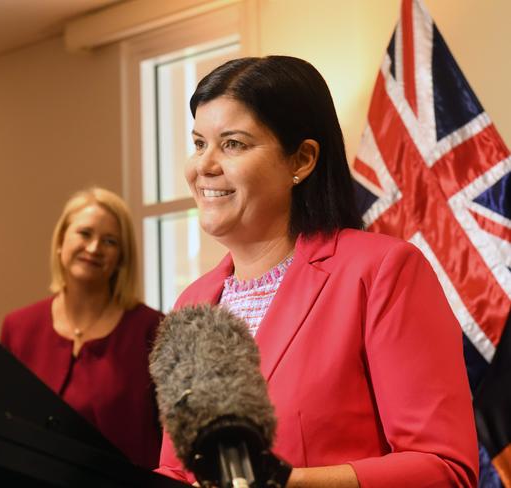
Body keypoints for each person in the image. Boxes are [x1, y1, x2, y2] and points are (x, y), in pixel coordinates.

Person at [155, 56, 479, 487]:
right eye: (199, 144)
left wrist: (290, 483)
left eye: (232, 144)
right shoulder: (191, 303)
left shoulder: (381, 271)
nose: (204, 166)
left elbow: (445, 470)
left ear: (302, 160)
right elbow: (177, 471)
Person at [0, 187, 163, 470]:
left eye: (110, 241)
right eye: (85, 233)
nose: (94, 248)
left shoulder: (152, 329)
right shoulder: (18, 327)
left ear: (121, 257)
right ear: (61, 240)